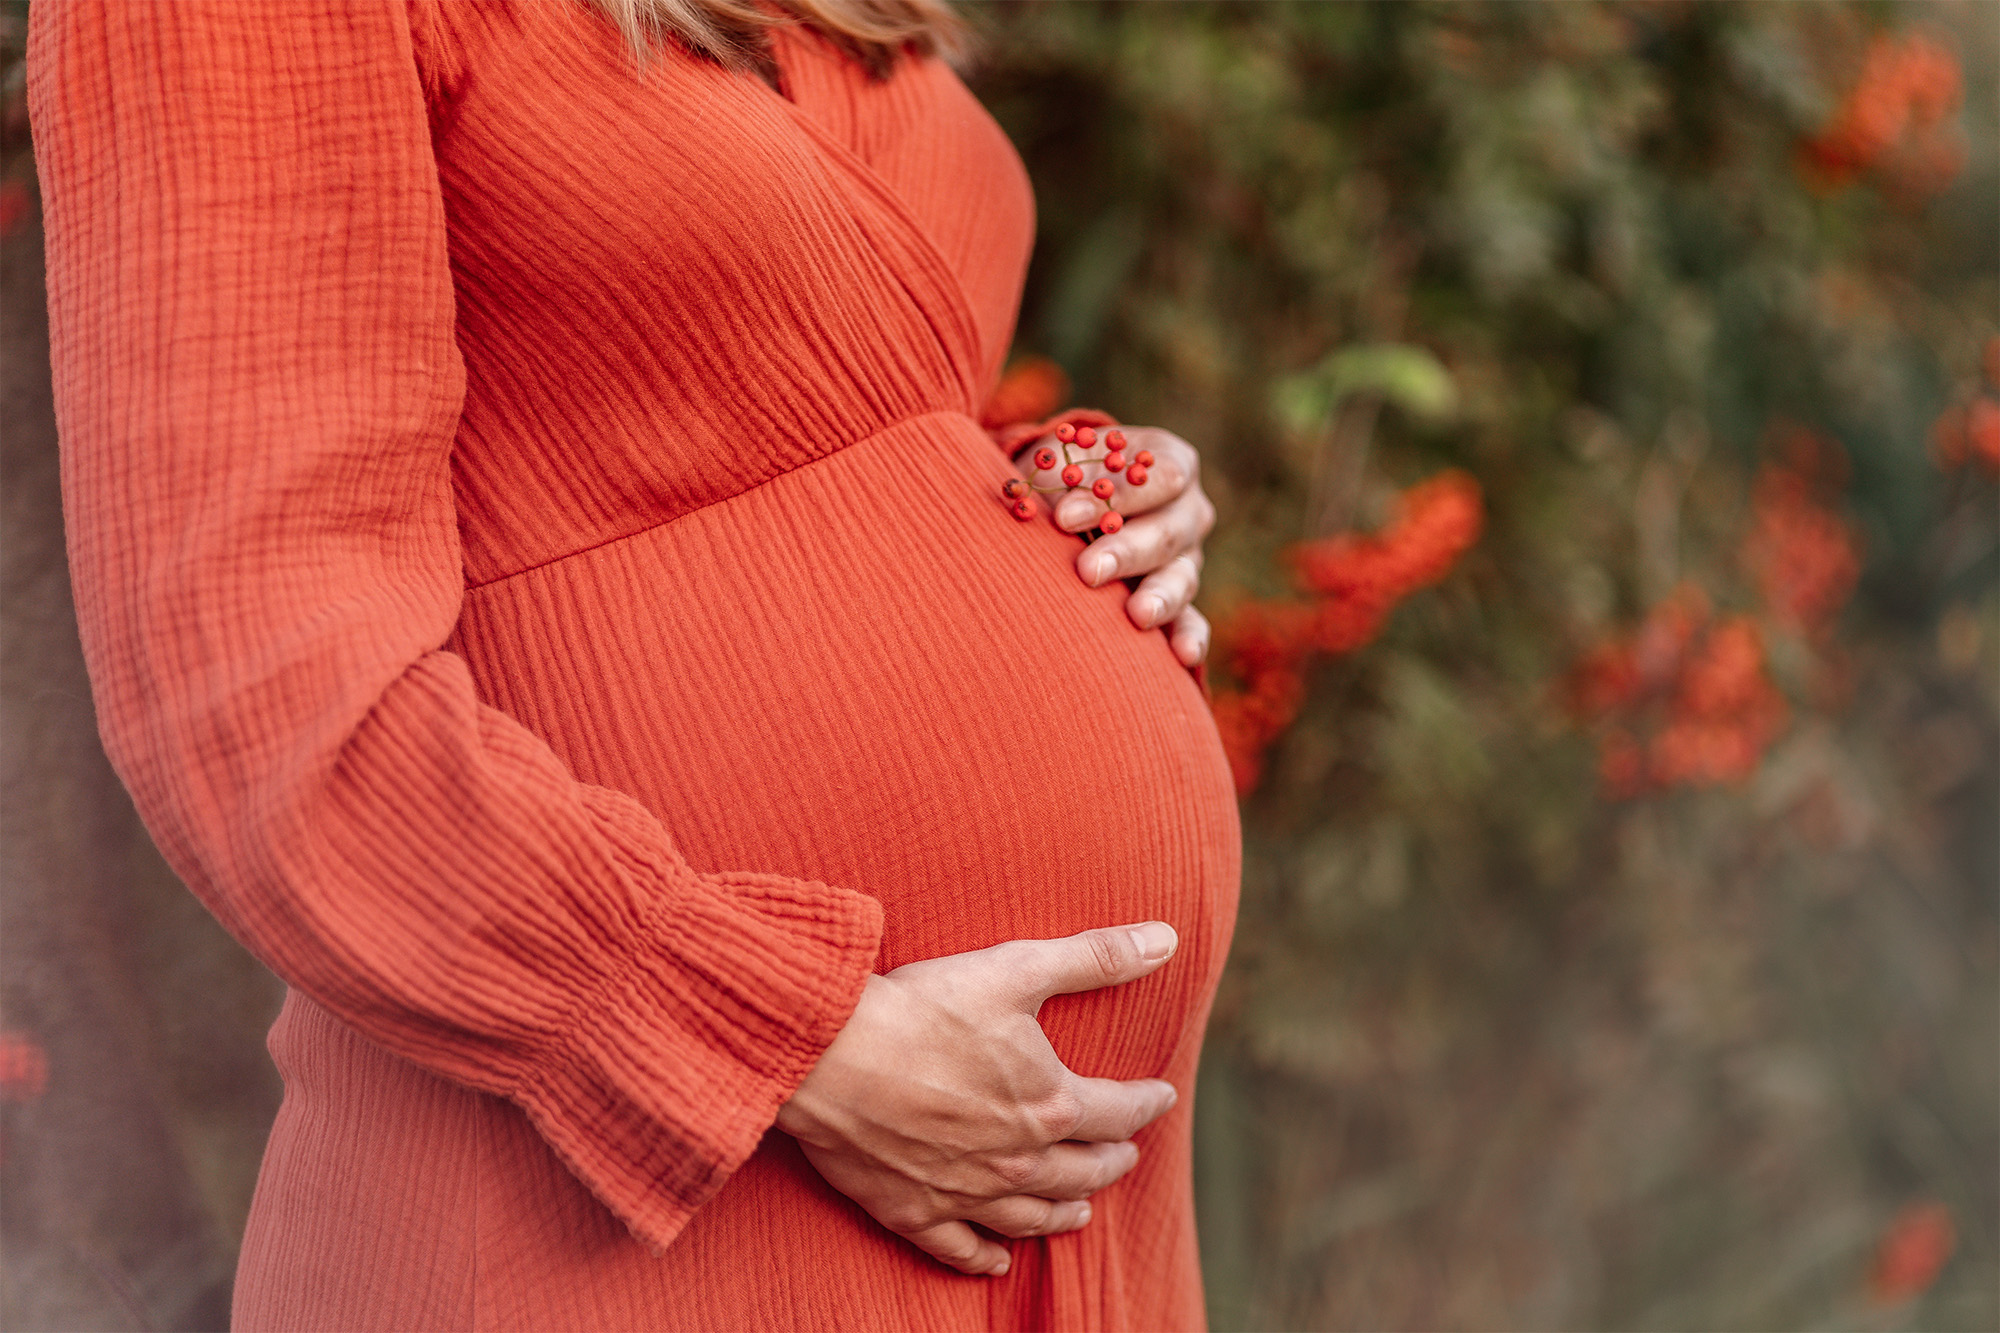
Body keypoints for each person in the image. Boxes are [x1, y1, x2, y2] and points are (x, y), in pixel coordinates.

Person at [29, 0, 1241, 1327]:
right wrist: (769, 1038)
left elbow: (747, 409)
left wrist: (1042, 485)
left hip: (1047, 1198)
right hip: (651, 1191)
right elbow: (258, 678)